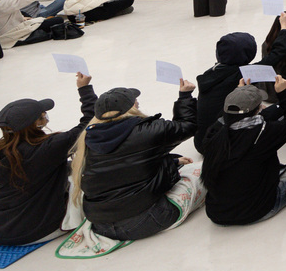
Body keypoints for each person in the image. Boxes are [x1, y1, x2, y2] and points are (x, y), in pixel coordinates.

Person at [0, 72, 96, 246]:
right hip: (37, 231)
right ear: (37, 123)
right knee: (81, 171)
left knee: (67, 167)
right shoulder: (48, 148)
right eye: (43, 114)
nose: (45, 116)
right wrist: (85, 89)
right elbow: (90, 124)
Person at [71, 81, 202, 241]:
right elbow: (187, 126)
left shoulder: (87, 139)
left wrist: (173, 161)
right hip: (147, 219)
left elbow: (125, 169)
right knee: (200, 173)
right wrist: (185, 95)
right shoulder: (148, 130)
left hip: (101, 226)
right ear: (131, 107)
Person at [200, 77, 286, 225]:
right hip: (256, 210)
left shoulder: (213, 134)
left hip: (216, 212)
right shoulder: (263, 134)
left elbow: (234, 118)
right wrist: (284, 94)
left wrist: (240, 93)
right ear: (258, 109)